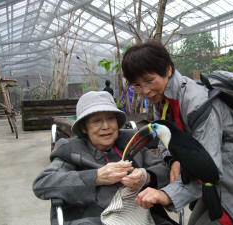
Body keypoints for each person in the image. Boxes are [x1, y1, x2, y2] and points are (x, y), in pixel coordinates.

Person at [121, 40, 233, 225]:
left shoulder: (197, 103)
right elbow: (167, 137)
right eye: (136, 85)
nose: (144, 91)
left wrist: (166, 194)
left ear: (168, 70)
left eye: (149, 80)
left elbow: (208, 165)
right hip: (214, 178)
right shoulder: (162, 99)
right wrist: (174, 160)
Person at [33, 91, 176, 225]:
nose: (106, 126)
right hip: (94, 219)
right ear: (84, 127)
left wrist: (146, 176)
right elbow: (43, 184)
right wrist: (96, 177)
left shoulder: (130, 142)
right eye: (96, 121)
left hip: (141, 216)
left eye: (110, 119)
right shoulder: (72, 150)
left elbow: (164, 170)